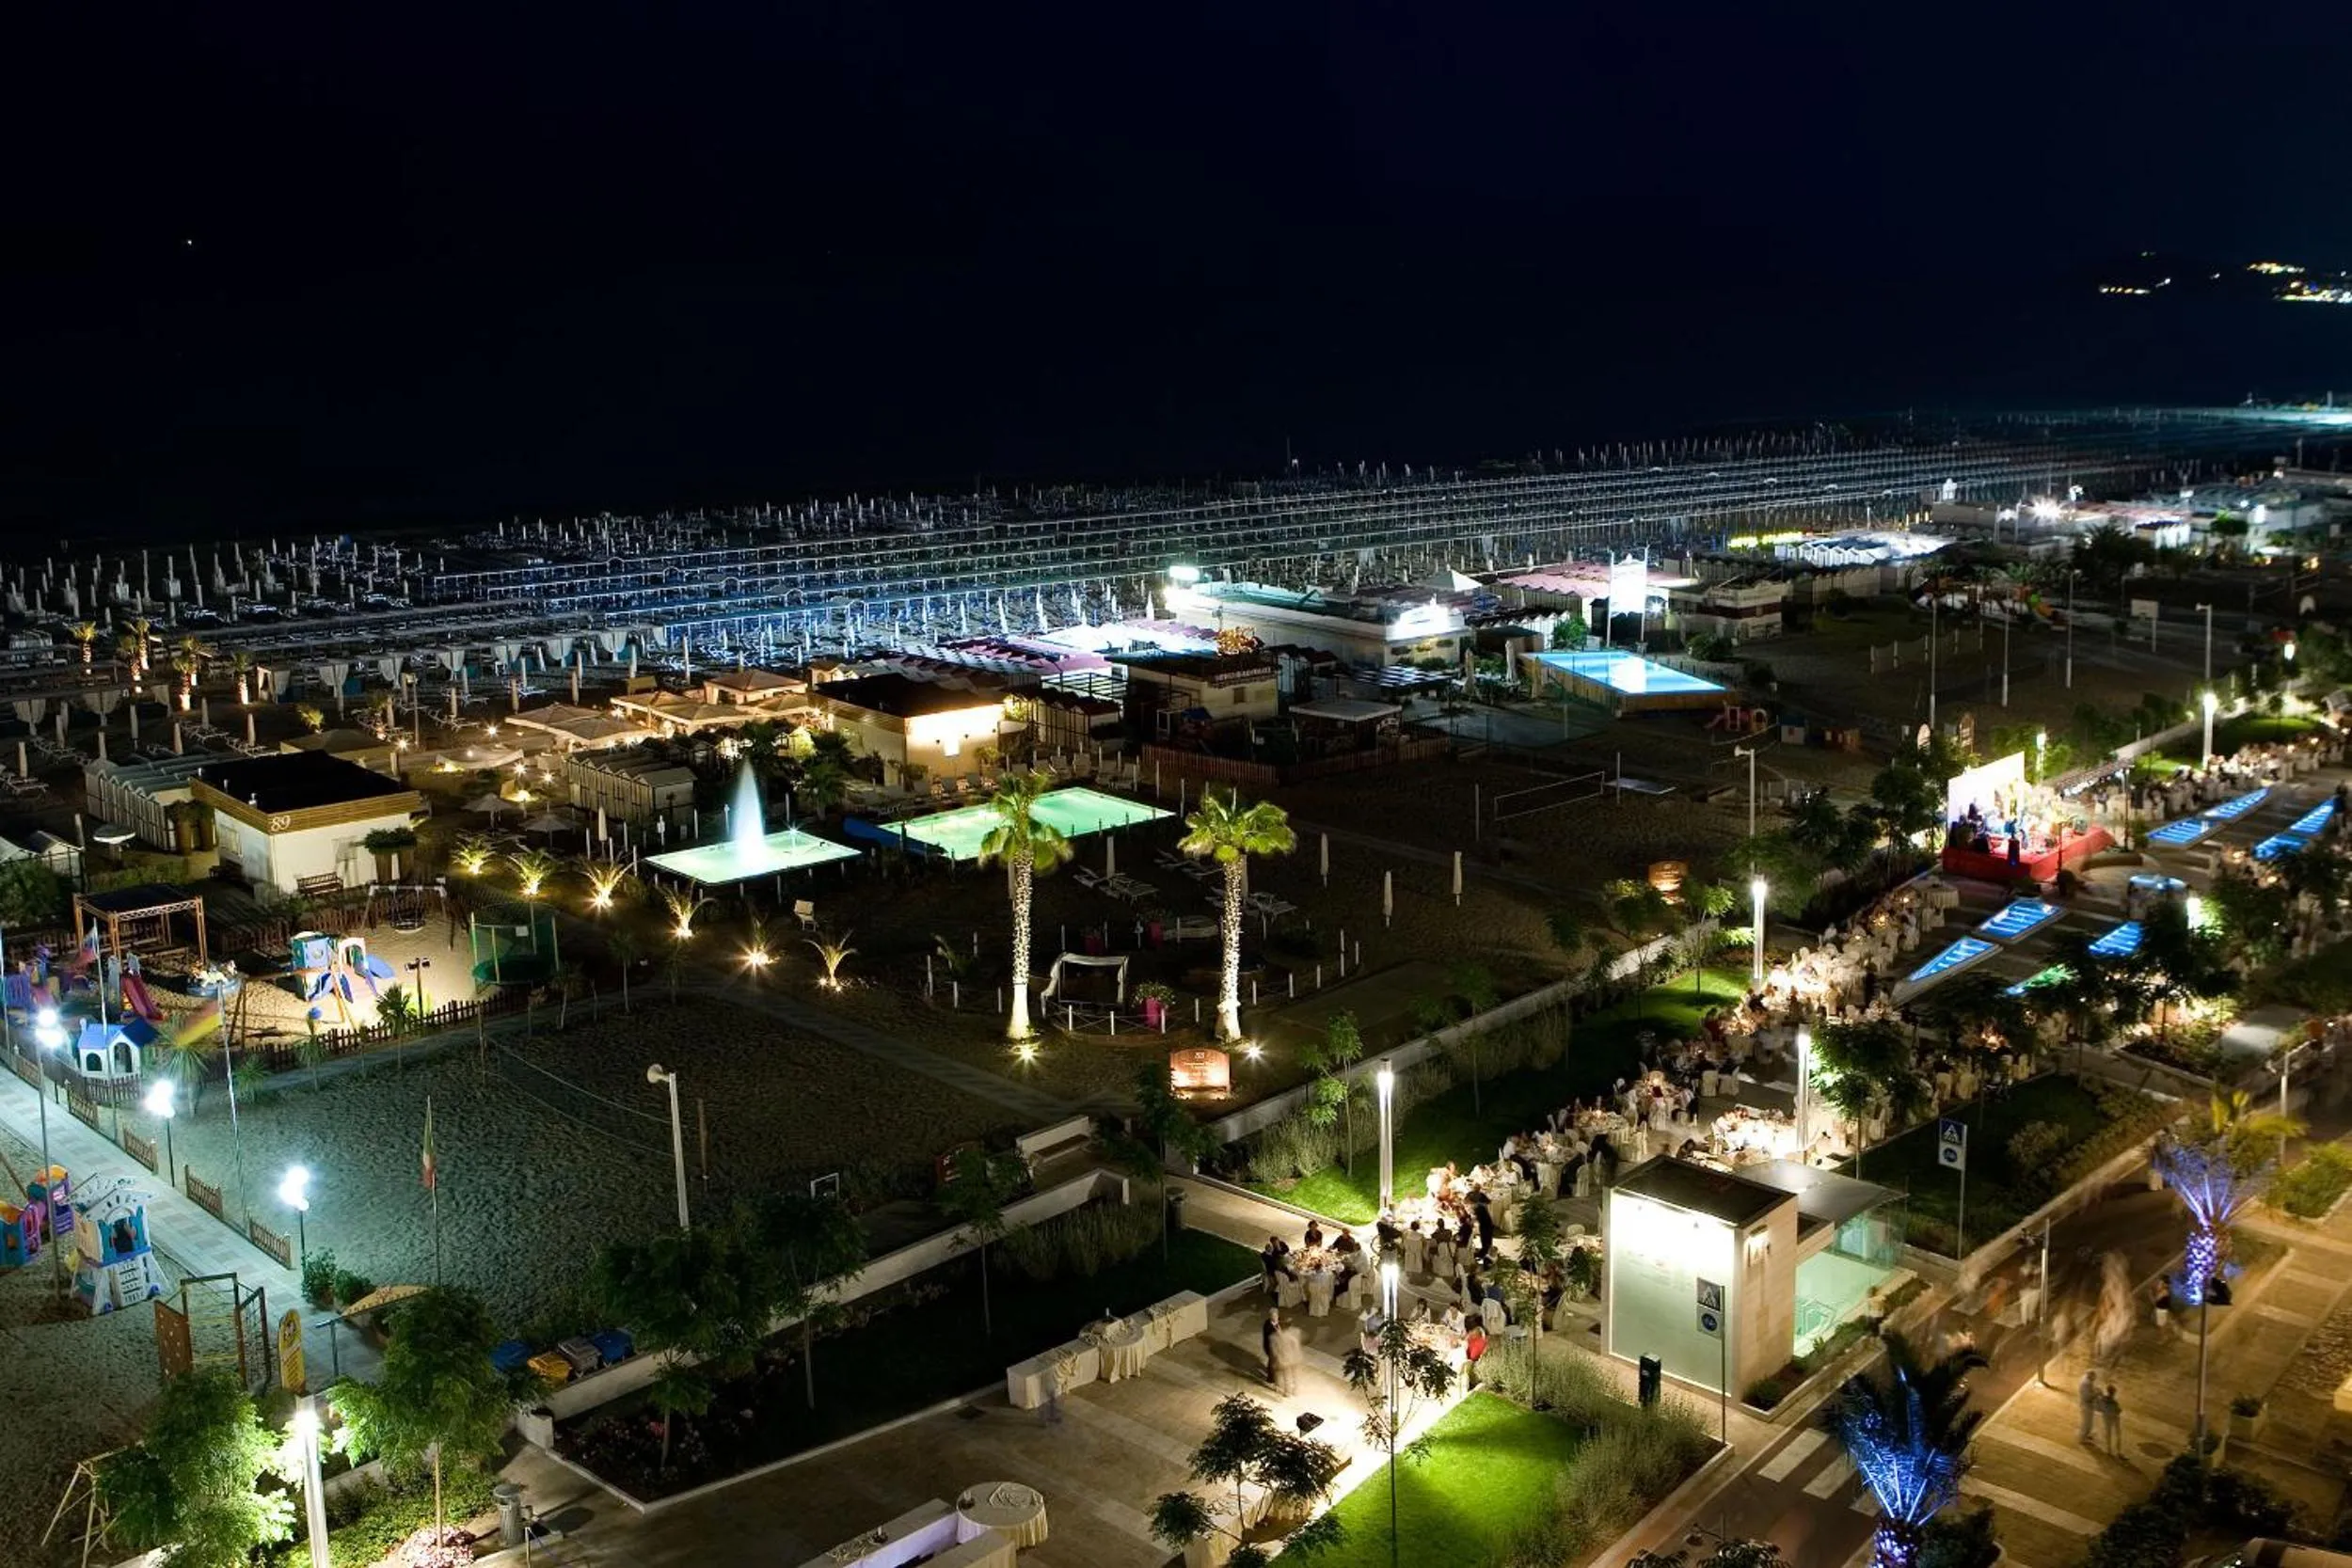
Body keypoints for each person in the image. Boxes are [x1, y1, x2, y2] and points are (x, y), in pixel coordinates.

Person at [2075, 1368, 2099, 1445]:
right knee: (2086, 1422)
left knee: (2089, 1422)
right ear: (2090, 1376)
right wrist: (2096, 1393)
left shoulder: (2087, 1380)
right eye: (2094, 1377)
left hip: (2088, 1405)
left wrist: (2095, 1390)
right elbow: (2087, 1397)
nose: (2095, 1378)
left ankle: (2087, 1435)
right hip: (2086, 1406)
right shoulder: (2086, 1384)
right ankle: (2082, 1438)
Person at [2100, 1384, 2123, 1457]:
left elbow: (2100, 1407)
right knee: (2118, 1434)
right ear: (2113, 1392)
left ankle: (2109, 1449)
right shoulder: (2114, 1402)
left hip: (2106, 1418)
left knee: (2108, 1433)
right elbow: (2118, 1411)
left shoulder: (2103, 1399)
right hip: (2115, 1418)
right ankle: (2118, 1451)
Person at [1263, 1307, 1282, 1384]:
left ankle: (1275, 1372)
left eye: (1276, 1316)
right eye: (1273, 1316)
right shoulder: (1267, 1325)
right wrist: (1277, 1332)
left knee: (1276, 1360)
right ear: (1270, 1316)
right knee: (1272, 1362)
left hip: (1278, 1346)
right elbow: (1270, 1337)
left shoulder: (1279, 1321)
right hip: (1270, 1347)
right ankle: (1270, 1378)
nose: (1275, 1318)